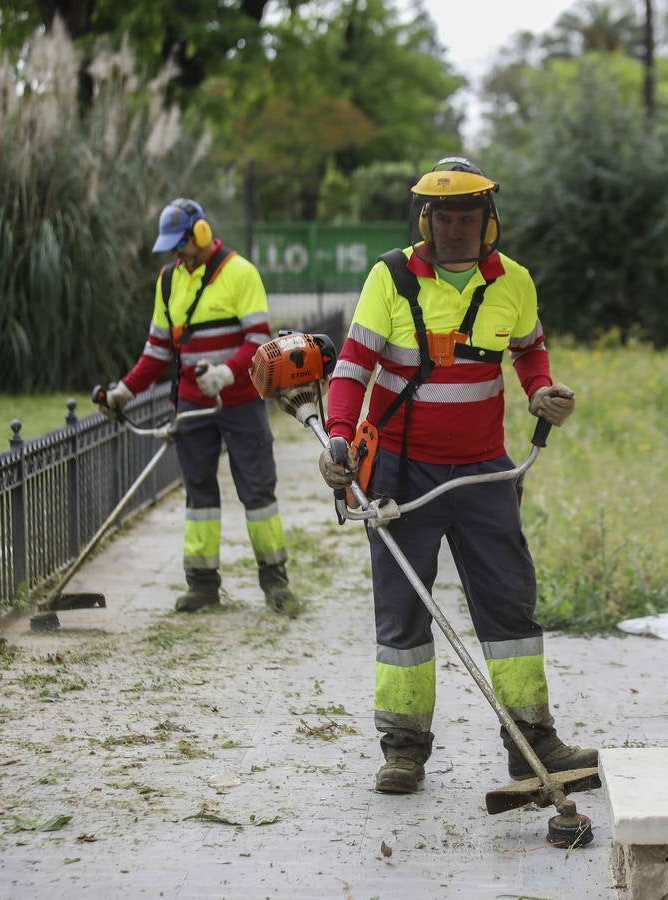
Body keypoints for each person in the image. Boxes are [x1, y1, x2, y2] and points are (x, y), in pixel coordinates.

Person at [317, 157, 594, 794]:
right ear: (426, 219)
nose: (456, 231)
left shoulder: (514, 281)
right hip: (399, 476)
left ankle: (533, 743)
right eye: (445, 218)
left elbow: (529, 349)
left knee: (509, 604)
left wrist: (542, 390)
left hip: (484, 475)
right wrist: (338, 437)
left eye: (468, 218)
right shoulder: (387, 279)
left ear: (487, 220)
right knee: (403, 615)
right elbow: (354, 368)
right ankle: (404, 750)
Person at [99, 198, 299, 616]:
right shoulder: (169, 281)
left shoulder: (241, 273)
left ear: (202, 233)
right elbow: (157, 349)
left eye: (182, 244)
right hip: (191, 403)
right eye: (171, 247)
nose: (177, 253)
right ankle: (203, 584)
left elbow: (258, 339)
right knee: (199, 495)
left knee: (258, 491)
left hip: (240, 400)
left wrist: (226, 373)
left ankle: (275, 580)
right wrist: (124, 392)